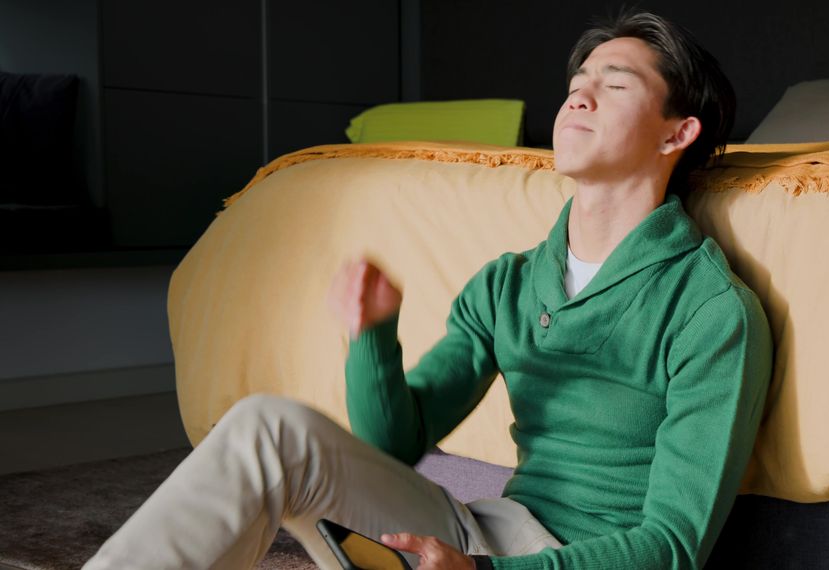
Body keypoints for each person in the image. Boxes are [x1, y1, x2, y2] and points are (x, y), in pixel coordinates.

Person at [84, 10, 772, 570]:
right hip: (478, 533)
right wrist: (372, 338)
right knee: (269, 429)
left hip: (568, 560)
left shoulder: (710, 309)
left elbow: (674, 548)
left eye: (615, 85)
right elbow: (394, 445)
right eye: (577, 81)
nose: (578, 96)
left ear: (678, 132)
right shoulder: (508, 281)